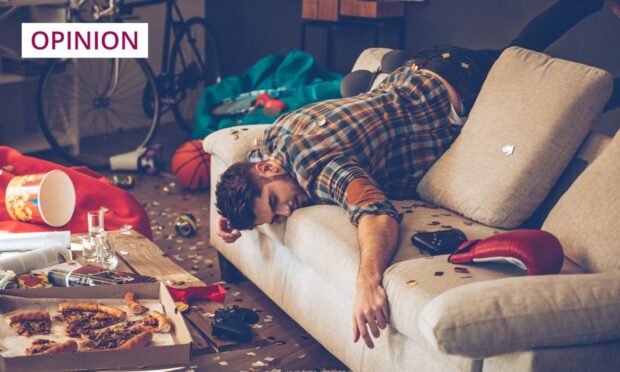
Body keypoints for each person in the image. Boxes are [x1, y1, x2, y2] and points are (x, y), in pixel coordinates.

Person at [214, 0, 620, 349]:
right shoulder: (277, 137)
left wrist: (368, 281)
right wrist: (236, 216)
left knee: (567, 101)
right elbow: (250, 159)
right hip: (425, 67)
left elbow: (375, 212)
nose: (288, 210)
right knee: (522, 48)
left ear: (269, 171)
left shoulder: (316, 167)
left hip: (460, 88)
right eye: (277, 216)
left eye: (274, 202)